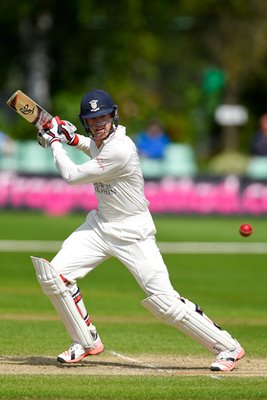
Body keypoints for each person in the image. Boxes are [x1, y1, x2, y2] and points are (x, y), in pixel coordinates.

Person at [33, 89, 245, 371]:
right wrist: (72, 138)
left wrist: (56, 143)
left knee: (164, 303)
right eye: (92, 120)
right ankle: (86, 341)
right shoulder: (101, 140)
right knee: (54, 276)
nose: (98, 125)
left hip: (133, 233)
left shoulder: (121, 148)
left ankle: (228, 347)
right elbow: (93, 146)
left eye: (103, 118)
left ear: (114, 116)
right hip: (100, 226)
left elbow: (72, 176)